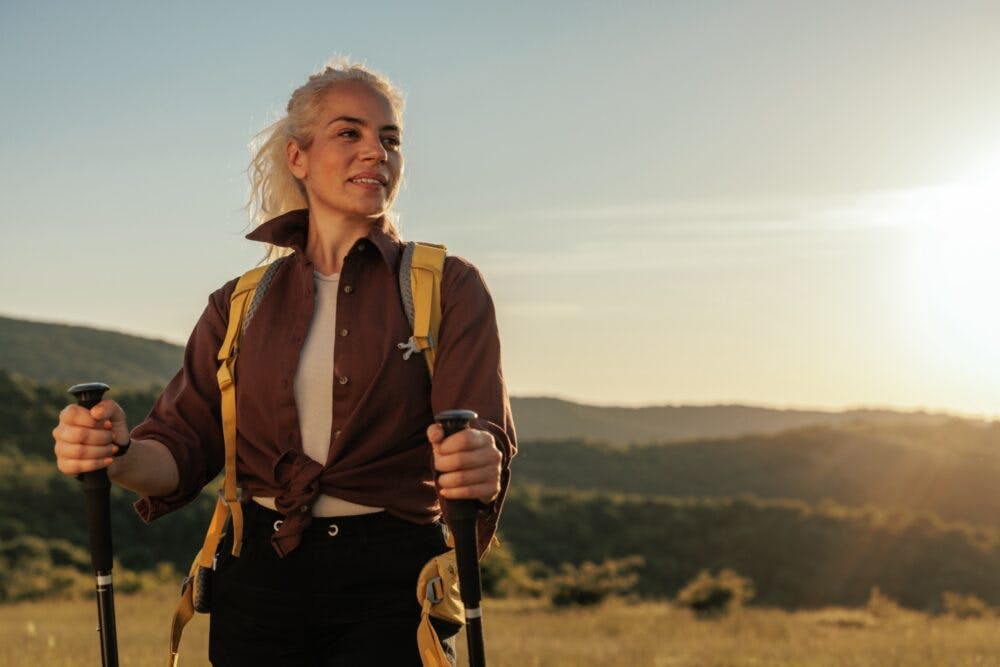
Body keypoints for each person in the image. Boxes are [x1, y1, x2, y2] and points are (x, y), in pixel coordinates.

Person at [51, 58, 516, 666]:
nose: (376, 151)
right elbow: (179, 450)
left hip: (394, 586)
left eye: (390, 138)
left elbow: (481, 440)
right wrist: (112, 451)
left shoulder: (447, 288)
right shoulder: (239, 304)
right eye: (349, 133)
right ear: (298, 157)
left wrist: (480, 458)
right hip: (257, 582)